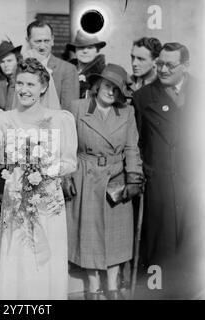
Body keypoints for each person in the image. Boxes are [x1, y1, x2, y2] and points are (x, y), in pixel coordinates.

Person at [0, 58, 78, 300]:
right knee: (17, 252)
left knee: (46, 255)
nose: (23, 90)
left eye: (30, 84)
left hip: (48, 197)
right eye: (19, 83)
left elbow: (71, 161)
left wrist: (43, 171)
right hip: (16, 194)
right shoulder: (5, 119)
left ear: (43, 87)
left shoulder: (61, 119)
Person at [132, 43, 204, 298]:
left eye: (169, 65)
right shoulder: (143, 98)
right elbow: (137, 142)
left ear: (185, 66)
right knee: (160, 244)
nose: (162, 69)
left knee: (192, 241)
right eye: (159, 63)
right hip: (160, 183)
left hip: (194, 182)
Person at [67, 64, 144, 300]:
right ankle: (93, 288)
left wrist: (133, 177)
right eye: (108, 86)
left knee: (116, 234)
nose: (112, 92)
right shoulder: (77, 108)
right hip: (86, 176)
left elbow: (132, 147)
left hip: (116, 179)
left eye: (117, 90)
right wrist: (66, 173)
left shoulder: (127, 112)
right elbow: (68, 145)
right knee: (88, 233)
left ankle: (112, 288)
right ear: (97, 84)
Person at [26, 20, 79, 109]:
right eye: (38, 41)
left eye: (46, 41)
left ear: (53, 40)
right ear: (28, 40)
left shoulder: (67, 69)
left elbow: (69, 111)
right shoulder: (19, 67)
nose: (42, 47)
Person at [66, 30, 106, 98]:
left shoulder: (103, 74)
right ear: (75, 50)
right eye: (81, 47)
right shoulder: (65, 70)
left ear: (97, 50)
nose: (85, 51)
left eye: (90, 47)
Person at [0, 41, 22, 111]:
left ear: (17, 61)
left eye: (9, 60)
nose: (5, 65)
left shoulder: (26, 82)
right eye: (2, 62)